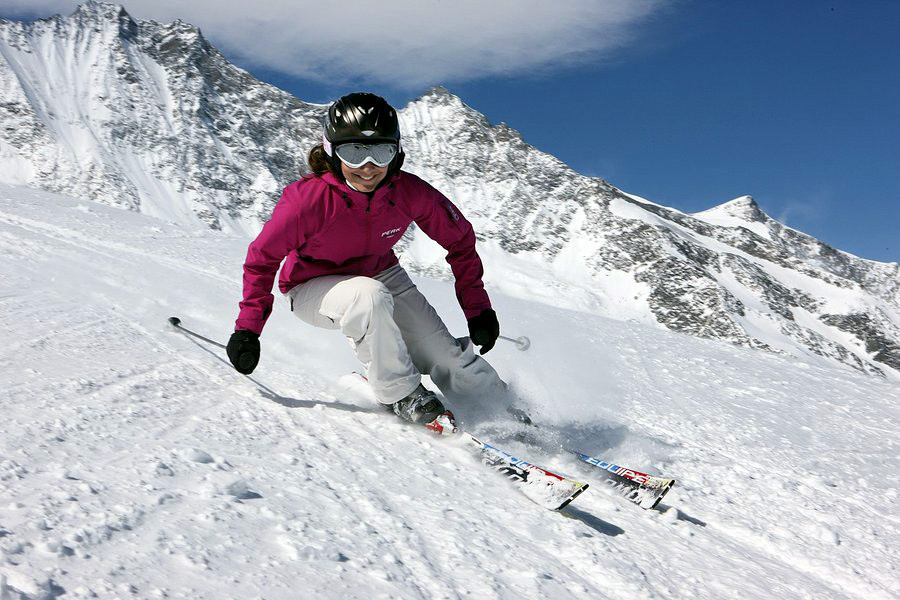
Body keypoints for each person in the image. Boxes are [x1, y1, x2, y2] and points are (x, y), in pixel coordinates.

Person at [227, 92, 506, 430]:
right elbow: (262, 257)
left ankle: (495, 405)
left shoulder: (408, 192)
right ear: (331, 151)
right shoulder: (307, 201)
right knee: (367, 296)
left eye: (380, 151)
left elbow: (460, 240)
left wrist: (478, 309)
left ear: (397, 152)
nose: (368, 167)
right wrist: (248, 329)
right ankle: (401, 393)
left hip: (381, 271)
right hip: (310, 287)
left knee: (440, 350)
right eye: (353, 153)